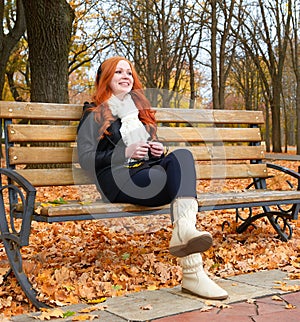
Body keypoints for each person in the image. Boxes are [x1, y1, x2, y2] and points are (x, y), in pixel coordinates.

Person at [77, 56, 228, 300]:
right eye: (118, 72)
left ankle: (190, 257)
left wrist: (157, 150)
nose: (126, 76)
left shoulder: (139, 113)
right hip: (117, 179)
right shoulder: (93, 113)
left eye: (129, 72)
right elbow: (85, 158)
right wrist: (122, 152)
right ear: (106, 79)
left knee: (181, 157)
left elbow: (149, 154)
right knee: (172, 179)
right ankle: (193, 273)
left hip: (146, 173)